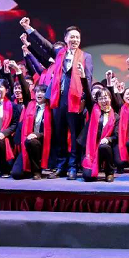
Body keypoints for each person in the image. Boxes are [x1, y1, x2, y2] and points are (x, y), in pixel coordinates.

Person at [20, 17, 93, 180]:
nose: (75, 40)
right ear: (66, 39)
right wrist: (28, 28)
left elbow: (88, 79)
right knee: (60, 135)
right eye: (72, 37)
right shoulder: (59, 53)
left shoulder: (86, 56)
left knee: (74, 136)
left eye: (77, 37)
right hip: (58, 100)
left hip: (75, 101)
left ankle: (73, 167)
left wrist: (83, 99)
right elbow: (44, 44)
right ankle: (61, 166)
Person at [77, 62, 119, 182]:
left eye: (106, 98)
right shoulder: (93, 109)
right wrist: (83, 75)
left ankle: (109, 172)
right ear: (97, 100)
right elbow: (87, 91)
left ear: (110, 99)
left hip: (105, 147)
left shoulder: (115, 116)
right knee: (87, 177)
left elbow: (116, 135)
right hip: (90, 147)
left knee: (105, 147)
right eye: (101, 98)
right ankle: (93, 168)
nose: (104, 100)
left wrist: (108, 139)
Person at [12, 79, 51, 180]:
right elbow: (25, 90)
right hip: (27, 142)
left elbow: (53, 132)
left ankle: (36, 171)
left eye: (42, 92)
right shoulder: (29, 105)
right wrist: (18, 72)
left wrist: (37, 135)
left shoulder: (51, 109)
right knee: (16, 174)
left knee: (32, 142)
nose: (39, 93)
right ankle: (30, 169)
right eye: (37, 91)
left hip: (43, 142)